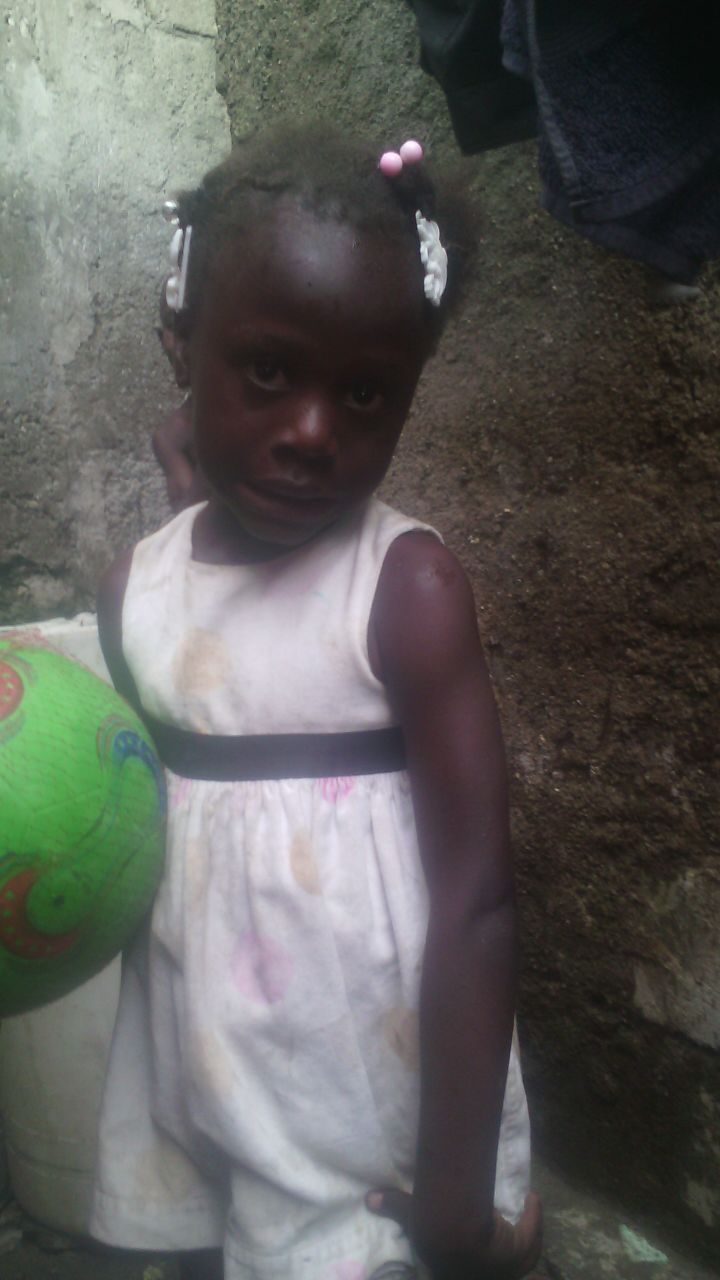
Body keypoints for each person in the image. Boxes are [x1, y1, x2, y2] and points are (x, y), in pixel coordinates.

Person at [90, 123, 542, 1280]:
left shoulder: (406, 592)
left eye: (366, 394)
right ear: (180, 342)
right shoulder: (136, 589)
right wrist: (192, 482)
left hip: (371, 1113)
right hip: (204, 1082)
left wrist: (455, 1200)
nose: (310, 434)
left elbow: (478, 898)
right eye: (268, 372)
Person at [152, 277, 208, 511]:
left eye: (189, 332)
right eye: (176, 331)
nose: (181, 349)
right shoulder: (174, 435)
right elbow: (193, 517)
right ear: (161, 338)